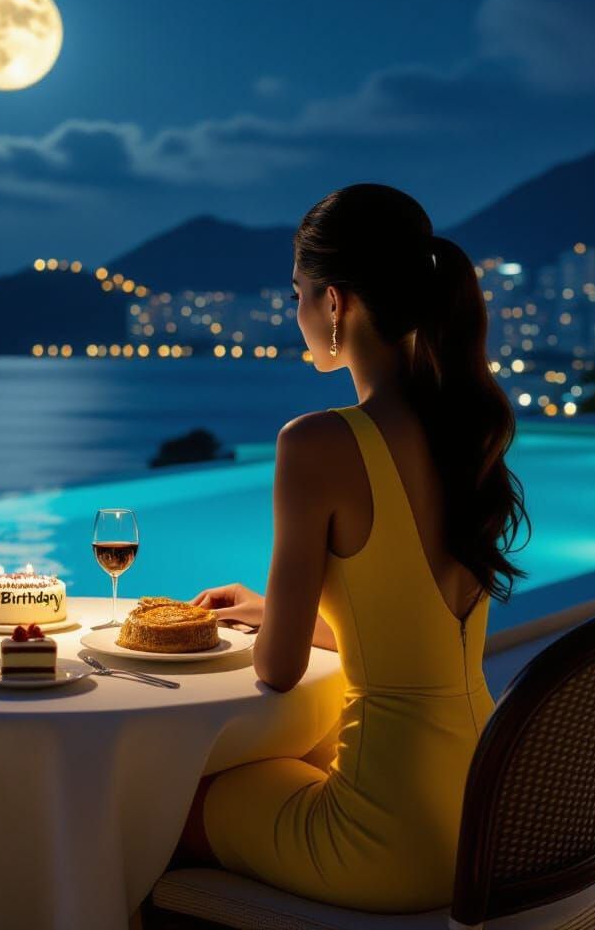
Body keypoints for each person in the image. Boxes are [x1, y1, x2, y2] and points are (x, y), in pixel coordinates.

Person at [172, 183, 530, 913]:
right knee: (287, 763)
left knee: (165, 803)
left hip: (388, 840)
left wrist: (277, 629)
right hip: (486, 816)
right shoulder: (461, 429)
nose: (296, 313)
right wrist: (274, 609)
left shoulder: (317, 443)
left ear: (334, 302)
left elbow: (277, 669)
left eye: (297, 294)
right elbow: (411, 634)